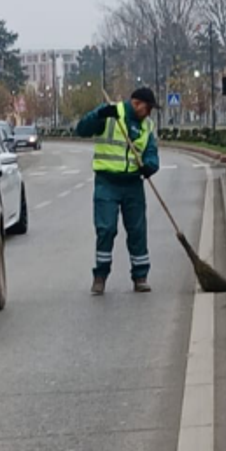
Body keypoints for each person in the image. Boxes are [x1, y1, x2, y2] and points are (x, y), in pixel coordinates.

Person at [74, 87, 161, 295]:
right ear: (136, 103)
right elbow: (82, 129)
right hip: (107, 183)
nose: (149, 113)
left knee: (137, 231)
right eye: (147, 108)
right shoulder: (111, 113)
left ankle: (140, 276)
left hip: (133, 184)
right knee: (106, 229)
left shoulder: (148, 126)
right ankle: (100, 276)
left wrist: (149, 166)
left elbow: (151, 153)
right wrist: (98, 115)